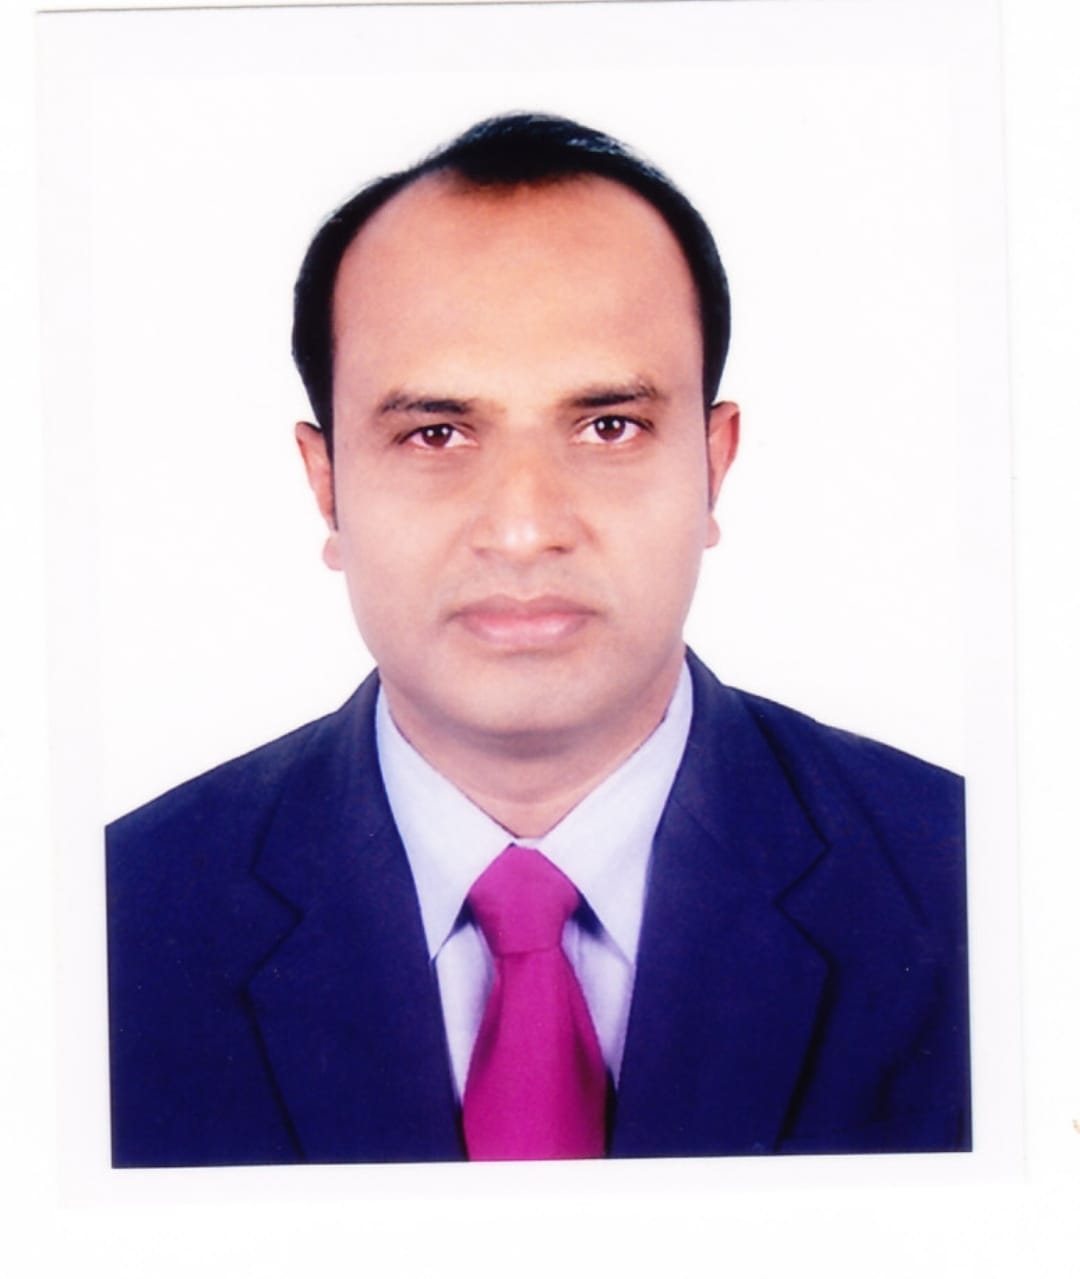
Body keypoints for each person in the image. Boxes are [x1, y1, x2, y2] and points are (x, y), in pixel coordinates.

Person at [105, 113, 970, 1167]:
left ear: (713, 466)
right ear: (326, 484)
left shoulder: (980, 884)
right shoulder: (104, 923)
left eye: (609, 426)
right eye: (436, 433)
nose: (522, 529)